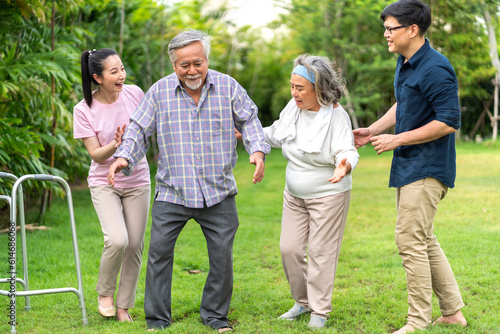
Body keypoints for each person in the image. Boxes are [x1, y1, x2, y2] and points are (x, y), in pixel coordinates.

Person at [107, 29, 270, 332]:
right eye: (185, 65)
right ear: (174, 66)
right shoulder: (159, 92)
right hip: (173, 192)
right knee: (158, 255)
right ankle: (157, 320)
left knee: (221, 258)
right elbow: (138, 130)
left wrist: (257, 151)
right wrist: (123, 157)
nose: (192, 70)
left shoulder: (228, 87)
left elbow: (249, 119)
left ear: (207, 59)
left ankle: (215, 317)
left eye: (198, 63)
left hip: (218, 191)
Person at [353, 1, 467, 333]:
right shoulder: (406, 64)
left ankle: (417, 322)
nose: (385, 34)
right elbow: (404, 103)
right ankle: (452, 313)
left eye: (391, 28)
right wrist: (373, 130)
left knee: (410, 240)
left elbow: (449, 121)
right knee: (423, 238)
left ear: (412, 30)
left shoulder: (435, 67)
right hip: (410, 166)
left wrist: (398, 139)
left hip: (428, 166)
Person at [263, 54, 359, 330]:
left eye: (300, 88)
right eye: (292, 86)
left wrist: (345, 165)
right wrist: (246, 134)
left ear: (318, 88)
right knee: (289, 249)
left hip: (328, 194)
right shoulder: (293, 109)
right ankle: (303, 301)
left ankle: (320, 310)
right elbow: (275, 133)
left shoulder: (336, 116)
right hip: (294, 194)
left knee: (320, 252)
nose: (294, 93)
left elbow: (347, 149)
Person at [73, 48, 151, 322]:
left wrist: (131, 145)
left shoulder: (135, 94)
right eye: (114, 71)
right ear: (97, 77)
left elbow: (146, 131)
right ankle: (105, 292)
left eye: (122, 68)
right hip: (104, 181)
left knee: (135, 245)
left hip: (137, 179)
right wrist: (116, 145)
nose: (122, 75)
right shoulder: (83, 109)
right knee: (117, 240)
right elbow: (95, 154)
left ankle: (123, 307)